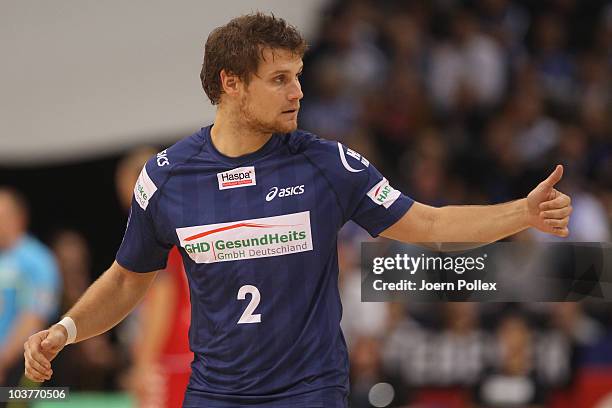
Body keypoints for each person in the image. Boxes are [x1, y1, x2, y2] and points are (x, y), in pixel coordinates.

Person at [23, 13, 572, 407]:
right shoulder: (166, 179)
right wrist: (67, 329)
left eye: (299, 76)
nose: (298, 91)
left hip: (308, 391)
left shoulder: (327, 165)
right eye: (280, 79)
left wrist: (521, 213)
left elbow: (427, 224)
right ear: (231, 84)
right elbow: (126, 280)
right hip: (214, 394)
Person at [116, 148, 192, 408]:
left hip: (169, 356)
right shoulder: (180, 220)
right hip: (187, 350)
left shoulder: (155, 228)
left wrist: (144, 364)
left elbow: (163, 297)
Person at [0, 188, 60, 386]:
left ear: (20, 218)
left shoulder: (38, 261)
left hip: (22, 366)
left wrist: (3, 360)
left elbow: (34, 317)